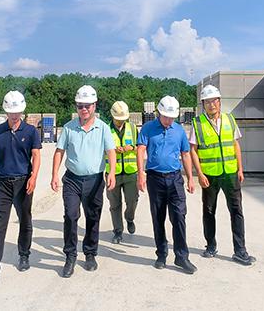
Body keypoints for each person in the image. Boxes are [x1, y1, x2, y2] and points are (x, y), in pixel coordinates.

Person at [51, 85, 116, 278]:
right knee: (71, 216)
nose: (84, 109)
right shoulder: (69, 128)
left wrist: (112, 172)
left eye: (87, 105)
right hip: (72, 180)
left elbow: (111, 151)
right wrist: (54, 174)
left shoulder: (103, 128)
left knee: (93, 216)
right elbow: (59, 151)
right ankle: (70, 256)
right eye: (80, 106)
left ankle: (90, 253)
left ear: (94, 105)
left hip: (95, 180)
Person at [190, 85, 256, 266]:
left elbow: (235, 145)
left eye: (214, 101)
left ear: (219, 102)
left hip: (230, 173)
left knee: (236, 211)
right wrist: (199, 174)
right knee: (209, 211)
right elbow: (193, 150)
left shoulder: (229, 119)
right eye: (207, 102)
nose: (211, 104)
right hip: (209, 175)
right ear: (203, 104)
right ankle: (211, 246)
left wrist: (240, 169)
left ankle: (240, 251)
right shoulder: (197, 123)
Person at [0, 91, 42, 287]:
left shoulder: (31, 131)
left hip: (23, 183)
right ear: (6, 111)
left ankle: (24, 254)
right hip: (3, 184)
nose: (14, 116)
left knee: (25, 219)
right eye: (11, 112)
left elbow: (36, 156)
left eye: (17, 112)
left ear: (22, 111)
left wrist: (33, 177)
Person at [137, 95, 197, 274]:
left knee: (179, 216)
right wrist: (141, 174)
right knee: (158, 217)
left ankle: (182, 256)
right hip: (155, 179)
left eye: (172, 117)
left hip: (175, 178)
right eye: (166, 117)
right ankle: (161, 254)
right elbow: (141, 150)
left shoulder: (179, 130)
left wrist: (190, 178)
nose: (169, 120)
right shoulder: (148, 128)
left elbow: (185, 154)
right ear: (158, 113)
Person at [105, 101, 139, 244]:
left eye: (123, 119)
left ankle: (129, 218)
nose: (120, 121)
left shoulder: (133, 128)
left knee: (132, 200)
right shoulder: (106, 129)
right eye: (118, 119)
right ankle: (118, 231)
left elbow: (140, 147)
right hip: (113, 173)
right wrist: (112, 150)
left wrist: (131, 148)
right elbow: (99, 150)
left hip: (131, 172)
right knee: (114, 204)